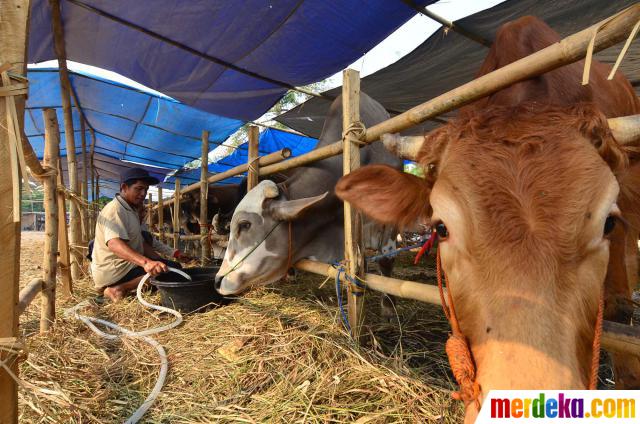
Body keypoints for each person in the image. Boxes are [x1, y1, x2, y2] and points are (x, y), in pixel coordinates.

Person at [91, 167, 175, 302]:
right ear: (124, 187)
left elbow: (141, 242)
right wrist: (146, 262)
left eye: (146, 190)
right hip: (116, 270)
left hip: (126, 266)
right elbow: (114, 243)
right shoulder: (115, 209)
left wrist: (160, 260)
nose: (143, 194)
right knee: (167, 274)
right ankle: (118, 288)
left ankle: (128, 286)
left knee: (173, 268)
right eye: (138, 189)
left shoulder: (131, 209)